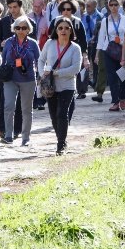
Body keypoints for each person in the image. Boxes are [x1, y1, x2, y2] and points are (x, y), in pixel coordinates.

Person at [40, 17, 82, 155]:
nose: (63, 30)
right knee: (53, 115)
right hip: (51, 86)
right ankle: (61, 138)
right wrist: (43, 74)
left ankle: (61, 144)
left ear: (71, 31)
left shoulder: (75, 48)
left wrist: (57, 73)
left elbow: (76, 68)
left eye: (67, 28)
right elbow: (41, 60)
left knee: (61, 113)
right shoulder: (50, 43)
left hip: (68, 86)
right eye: (60, 28)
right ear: (56, 30)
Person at [0, 15, 40, 145]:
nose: (20, 30)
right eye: (17, 27)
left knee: (26, 109)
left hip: (28, 79)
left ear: (28, 29)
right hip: (10, 78)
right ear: (14, 29)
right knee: (8, 106)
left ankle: (25, 138)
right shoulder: (9, 42)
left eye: (23, 28)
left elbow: (39, 60)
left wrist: (40, 76)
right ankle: (9, 135)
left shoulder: (33, 44)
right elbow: (3, 60)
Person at [97, 0, 125, 112]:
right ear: (108, 6)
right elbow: (101, 38)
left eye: (115, 5)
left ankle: (122, 97)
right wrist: (98, 54)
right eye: (111, 5)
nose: (113, 7)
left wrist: (124, 44)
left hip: (123, 50)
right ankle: (115, 101)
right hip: (109, 51)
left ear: (119, 6)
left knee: (123, 76)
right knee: (112, 77)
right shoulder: (105, 20)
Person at [78, 0, 102, 101]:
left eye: (88, 6)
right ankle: (82, 90)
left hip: (96, 44)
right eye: (86, 6)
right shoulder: (83, 17)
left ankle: (96, 85)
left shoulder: (100, 17)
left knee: (96, 65)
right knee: (84, 66)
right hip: (86, 44)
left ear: (94, 6)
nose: (86, 8)